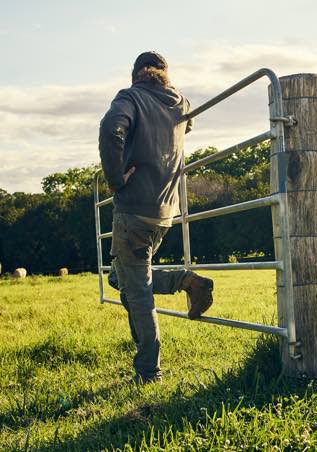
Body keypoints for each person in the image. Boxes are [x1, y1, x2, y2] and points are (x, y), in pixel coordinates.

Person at [99, 51, 214, 384]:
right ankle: (186, 282)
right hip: (165, 212)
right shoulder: (181, 103)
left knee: (137, 292)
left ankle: (149, 372)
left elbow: (111, 129)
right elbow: (187, 125)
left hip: (133, 209)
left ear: (135, 75)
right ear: (166, 75)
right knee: (121, 279)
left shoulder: (130, 97)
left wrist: (116, 179)